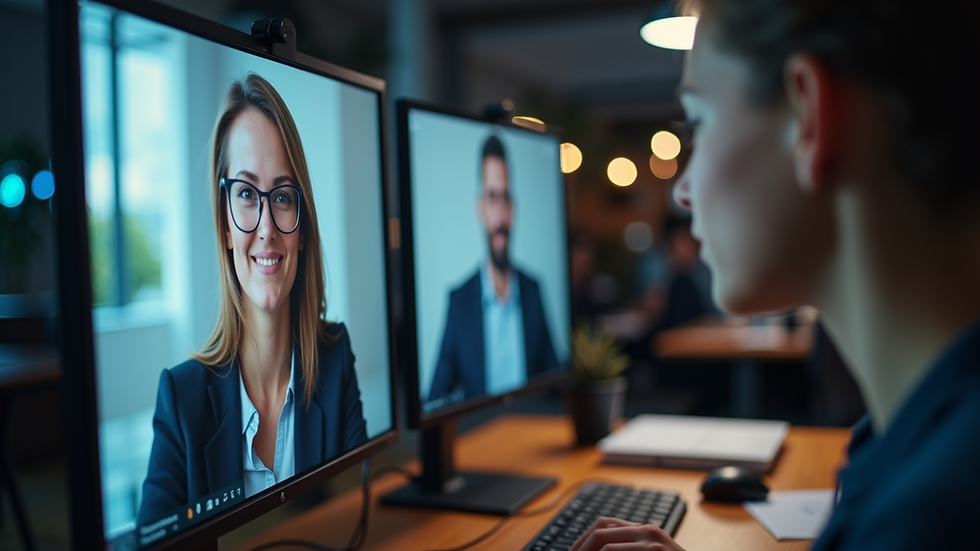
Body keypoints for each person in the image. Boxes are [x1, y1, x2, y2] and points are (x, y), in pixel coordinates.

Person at [570, 0, 979, 549]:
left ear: (808, 114)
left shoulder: (932, 516)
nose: (683, 191)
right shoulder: (900, 439)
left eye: (701, 123)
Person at [137, 73, 368, 524]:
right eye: (245, 194)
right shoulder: (181, 399)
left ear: (302, 227)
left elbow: (357, 521)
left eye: (282, 197)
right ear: (224, 223)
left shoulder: (335, 359)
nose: (265, 228)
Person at [427, 135, 559, 403]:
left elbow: (557, 381)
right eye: (492, 198)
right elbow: (434, 401)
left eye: (506, 198)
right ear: (480, 208)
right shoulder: (459, 300)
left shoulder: (533, 289)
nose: (500, 215)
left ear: (514, 208)